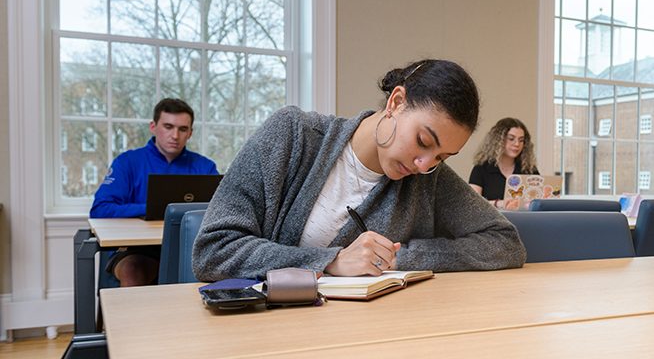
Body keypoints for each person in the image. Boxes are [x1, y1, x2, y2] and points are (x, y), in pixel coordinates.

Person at [193, 59, 526, 282]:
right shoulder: (292, 135)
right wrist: (330, 261)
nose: (425, 165)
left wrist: (400, 259)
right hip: (271, 334)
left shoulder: (430, 180)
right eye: (424, 141)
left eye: (442, 157)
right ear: (396, 102)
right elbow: (214, 250)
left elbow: (505, 243)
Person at [90, 98, 218, 287]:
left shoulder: (205, 167)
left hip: (189, 248)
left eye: (182, 129)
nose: (175, 135)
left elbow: (219, 209)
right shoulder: (127, 162)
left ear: (190, 133)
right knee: (133, 269)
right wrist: (150, 209)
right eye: (168, 126)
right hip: (135, 249)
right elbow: (100, 209)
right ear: (153, 126)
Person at [468, 117, 539, 208]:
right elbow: (472, 203)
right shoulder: (481, 168)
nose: (517, 144)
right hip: (492, 220)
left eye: (521, 140)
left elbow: (539, 200)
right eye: (511, 139)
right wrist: (499, 203)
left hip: (523, 220)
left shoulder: (529, 169)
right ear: (498, 141)